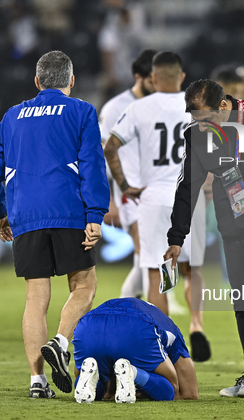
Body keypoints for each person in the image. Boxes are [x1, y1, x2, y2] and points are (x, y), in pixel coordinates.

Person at [0, 51, 109, 398]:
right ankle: (61, 342)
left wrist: (0, 211)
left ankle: (37, 382)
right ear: (71, 81)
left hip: (26, 214)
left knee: (36, 298)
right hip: (68, 210)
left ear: (37, 82)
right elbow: (93, 165)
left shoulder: (12, 116)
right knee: (84, 286)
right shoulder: (81, 111)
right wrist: (95, 214)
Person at [164, 79, 244, 399]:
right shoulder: (194, 135)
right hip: (232, 226)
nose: (200, 127)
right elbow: (188, 187)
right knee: (242, 299)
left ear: (224, 107)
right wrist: (177, 237)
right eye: (194, 120)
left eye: (205, 119)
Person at [104, 52, 211, 362]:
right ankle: (196, 323)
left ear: (153, 78)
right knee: (193, 269)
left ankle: (166, 345)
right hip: (189, 197)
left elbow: (110, 148)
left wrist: (124, 187)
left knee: (156, 273)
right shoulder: (195, 107)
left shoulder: (138, 108)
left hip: (153, 198)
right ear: (181, 77)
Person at [99, 49, 157, 300]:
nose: (158, 87)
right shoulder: (115, 108)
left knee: (146, 256)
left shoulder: (164, 104)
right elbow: (100, 154)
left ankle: (126, 307)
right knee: (147, 253)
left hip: (159, 191)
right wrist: (107, 199)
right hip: (128, 191)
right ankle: (151, 314)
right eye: (152, 81)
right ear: (138, 77)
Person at [72, 298, 198, 403]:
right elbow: (190, 394)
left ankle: (91, 380)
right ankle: (134, 373)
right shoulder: (172, 331)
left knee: (97, 381)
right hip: (136, 326)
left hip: (88, 325)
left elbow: (78, 371)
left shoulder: (151, 313)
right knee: (171, 390)